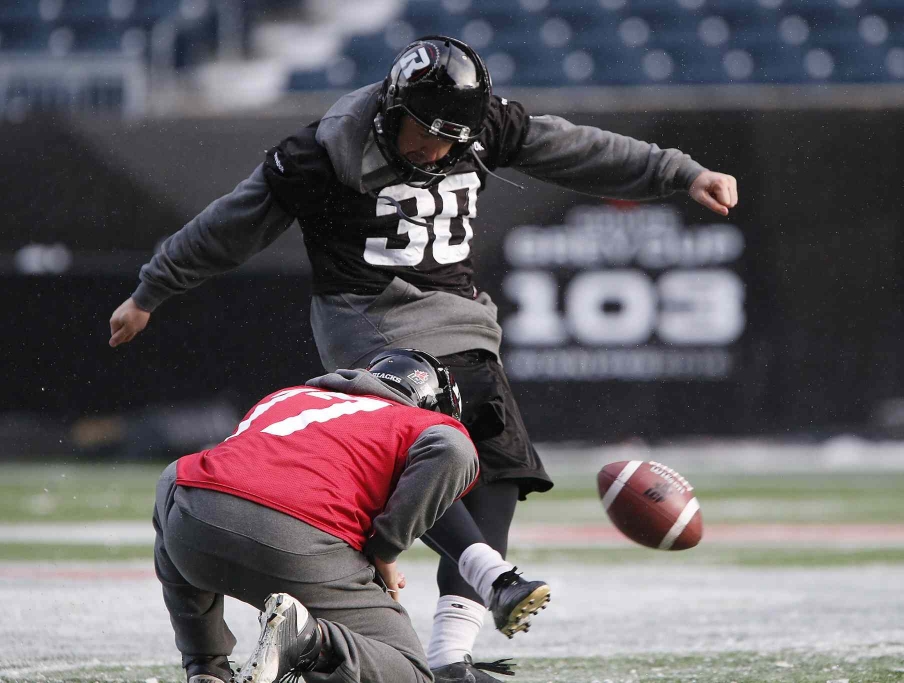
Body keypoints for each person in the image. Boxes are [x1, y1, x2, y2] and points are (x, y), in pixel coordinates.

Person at [112, 35, 738, 679]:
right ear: (391, 108)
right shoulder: (317, 157)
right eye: (425, 132)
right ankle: (489, 575)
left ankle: (451, 654)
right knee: (424, 451)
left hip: (462, 322)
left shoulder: (484, 126)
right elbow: (229, 225)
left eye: (451, 140)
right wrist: (153, 289)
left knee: (500, 472)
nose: (436, 151)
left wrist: (680, 172)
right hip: (369, 329)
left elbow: (576, 150)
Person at [155, 348, 548, 683]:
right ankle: (310, 640)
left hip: (191, 524)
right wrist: (385, 551)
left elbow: (228, 476)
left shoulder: (288, 396)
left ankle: (206, 664)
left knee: (177, 482)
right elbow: (454, 450)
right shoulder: (421, 421)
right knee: (410, 670)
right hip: (295, 541)